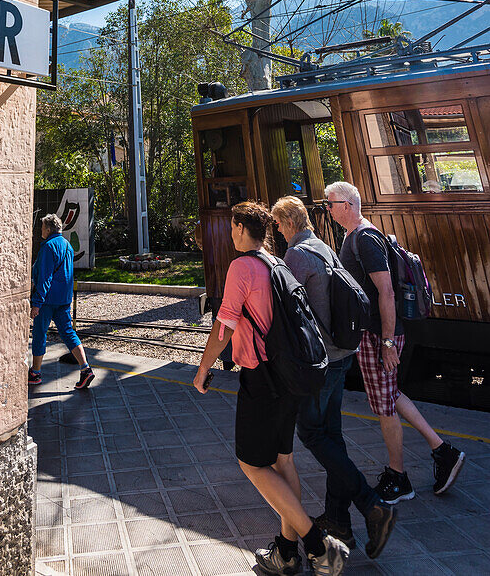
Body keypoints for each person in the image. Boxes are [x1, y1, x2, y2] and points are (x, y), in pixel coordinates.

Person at [194, 202, 349, 576]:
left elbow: (224, 326)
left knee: (252, 463)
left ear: (243, 230)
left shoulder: (242, 266)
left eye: (232, 228)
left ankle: (318, 545)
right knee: (283, 460)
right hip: (290, 377)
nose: (230, 235)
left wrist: (202, 371)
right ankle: (287, 552)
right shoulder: (276, 263)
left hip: (261, 380)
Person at [325, 181, 465, 502]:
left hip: (379, 335)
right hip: (374, 333)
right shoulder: (356, 236)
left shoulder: (365, 238)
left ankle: (399, 477)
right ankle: (444, 452)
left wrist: (387, 342)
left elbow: (386, 292)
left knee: (384, 406)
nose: (328, 210)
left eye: (330, 204)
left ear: (347, 205)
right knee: (391, 396)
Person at [271, 196, 396, 558]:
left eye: (279, 225)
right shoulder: (323, 245)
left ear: (288, 223)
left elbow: (293, 313)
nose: (278, 231)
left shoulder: (295, 256)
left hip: (322, 360)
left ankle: (373, 505)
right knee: (333, 438)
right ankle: (340, 521)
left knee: (311, 433)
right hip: (344, 354)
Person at [29, 213, 94, 390]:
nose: (41, 231)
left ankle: (35, 373)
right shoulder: (67, 246)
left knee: (40, 333)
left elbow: (45, 277)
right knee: (68, 333)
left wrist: (37, 302)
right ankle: (85, 369)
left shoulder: (48, 246)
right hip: (64, 298)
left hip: (48, 300)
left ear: (48, 229)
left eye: (42, 227)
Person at [194, 221, 235, 371]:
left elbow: (200, 244)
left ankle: (227, 362)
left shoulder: (203, 225)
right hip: (219, 282)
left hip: (218, 283)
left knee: (223, 323)